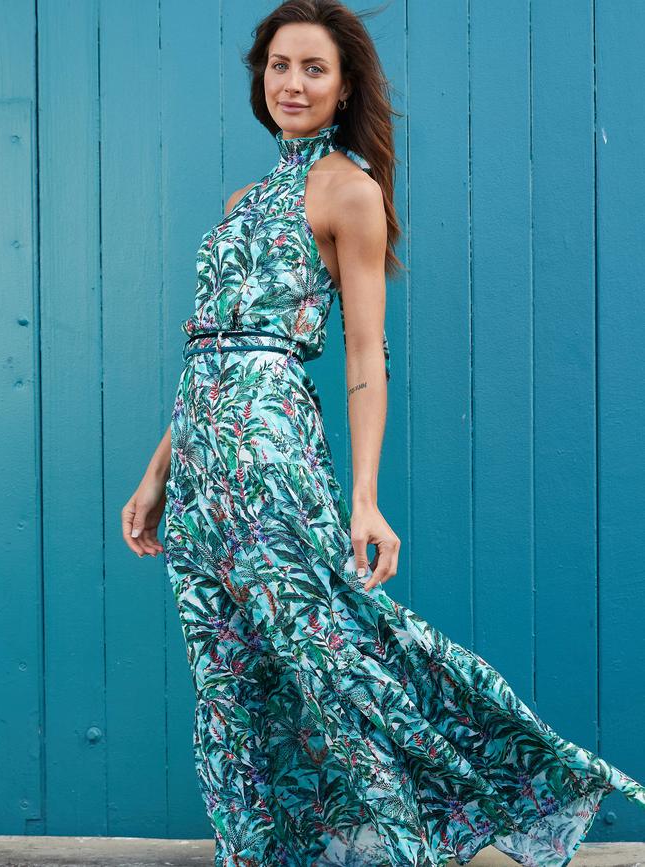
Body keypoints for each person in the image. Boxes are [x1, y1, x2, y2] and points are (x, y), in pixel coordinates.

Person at [121, 1, 645, 864]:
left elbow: (367, 352)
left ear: (343, 85)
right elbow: (206, 349)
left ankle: (436, 822)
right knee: (230, 676)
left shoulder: (349, 189)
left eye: (313, 68)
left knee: (331, 653)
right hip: (201, 476)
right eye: (280, 65)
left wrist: (364, 498)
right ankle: (258, 849)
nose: (293, 82)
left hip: (271, 455)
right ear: (262, 77)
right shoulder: (241, 199)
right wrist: (157, 475)